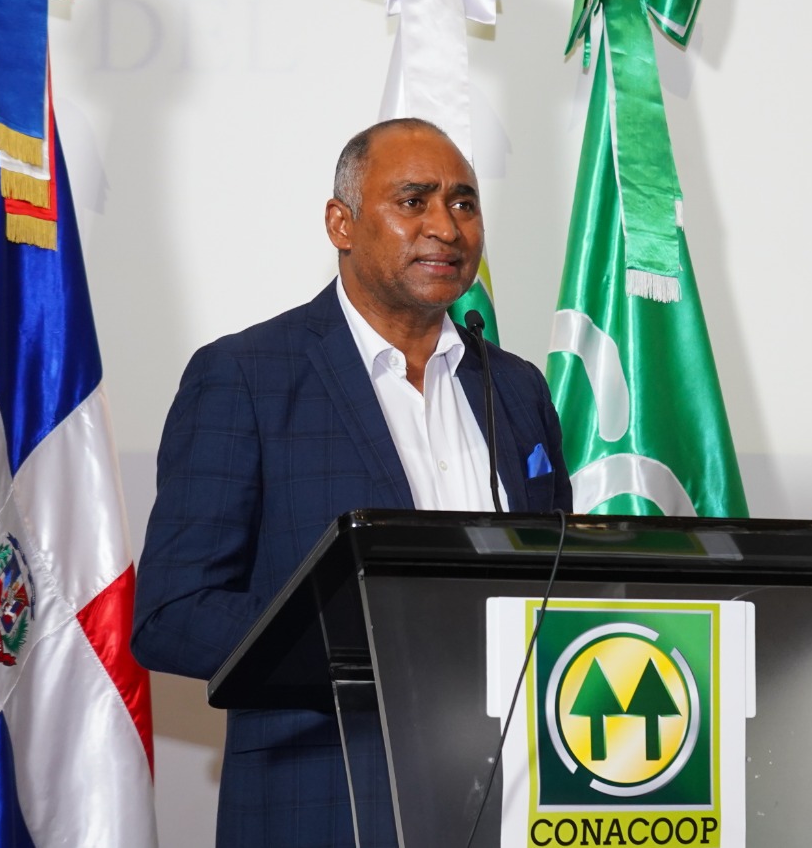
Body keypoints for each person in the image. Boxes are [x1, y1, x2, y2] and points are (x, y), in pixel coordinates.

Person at [130, 118, 574, 848]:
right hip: (326, 807)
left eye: (463, 203)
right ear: (342, 223)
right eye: (414, 201)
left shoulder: (517, 387)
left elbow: (558, 583)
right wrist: (385, 647)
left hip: (515, 804)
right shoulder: (246, 377)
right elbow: (173, 614)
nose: (446, 227)